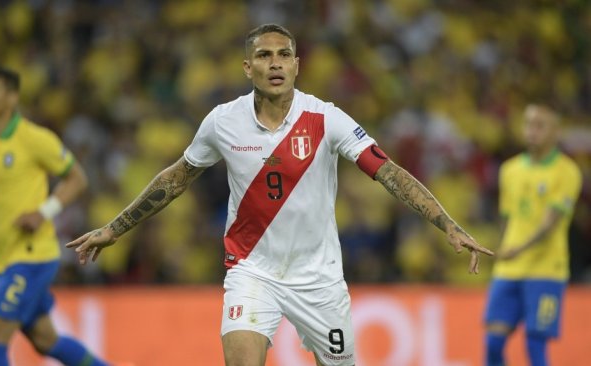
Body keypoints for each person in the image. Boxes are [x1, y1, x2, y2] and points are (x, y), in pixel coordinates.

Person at [67, 24, 494, 366]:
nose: (275, 64)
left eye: (284, 55)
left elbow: (388, 173)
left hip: (319, 278)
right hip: (252, 271)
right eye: (264, 55)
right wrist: (115, 228)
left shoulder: (325, 118)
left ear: (296, 66)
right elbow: (177, 178)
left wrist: (447, 224)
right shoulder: (222, 122)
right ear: (247, 67)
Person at [0, 66, 108, 366]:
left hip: (33, 256)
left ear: (11, 98)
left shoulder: (34, 139)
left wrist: (43, 212)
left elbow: (77, 178)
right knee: (46, 340)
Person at [484, 105, 582, 366]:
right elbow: (507, 217)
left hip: (546, 269)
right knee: (493, 343)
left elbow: (550, 222)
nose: (532, 131)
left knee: (534, 344)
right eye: (528, 124)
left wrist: (518, 248)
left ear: (555, 132)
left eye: (540, 125)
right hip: (509, 268)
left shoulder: (567, 171)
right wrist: (501, 249)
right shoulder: (510, 170)